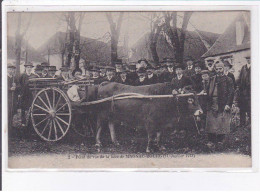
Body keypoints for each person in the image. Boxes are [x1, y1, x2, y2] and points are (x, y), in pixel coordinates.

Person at [205, 62, 234, 149]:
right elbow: (207, 90)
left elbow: (231, 93)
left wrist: (228, 104)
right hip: (212, 103)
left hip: (222, 103)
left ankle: (221, 140)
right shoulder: (212, 79)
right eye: (217, 69)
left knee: (221, 122)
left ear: (224, 68)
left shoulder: (228, 79)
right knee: (211, 122)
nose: (218, 71)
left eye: (220, 69)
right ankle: (211, 141)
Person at [20, 62, 38, 127]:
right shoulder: (22, 75)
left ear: (32, 68)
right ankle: (23, 122)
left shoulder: (34, 76)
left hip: (31, 94)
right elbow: (20, 84)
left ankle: (30, 122)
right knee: (23, 109)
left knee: (31, 107)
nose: (29, 68)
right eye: (28, 67)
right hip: (24, 94)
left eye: (30, 67)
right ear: (25, 68)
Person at [235, 56, 251, 127]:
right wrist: (237, 85)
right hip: (243, 91)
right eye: (247, 59)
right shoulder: (243, 67)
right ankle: (242, 123)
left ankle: (251, 123)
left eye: (250, 58)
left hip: (251, 91)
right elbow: (239, 78)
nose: (249, 60)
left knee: (250, 107)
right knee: (242, 107)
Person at [7, 63, 20, 133]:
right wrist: (9, 88)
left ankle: (10, 126)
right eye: (9, 69)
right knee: (7, 112)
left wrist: (15, 87)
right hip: (7, 98)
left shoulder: (14, 78)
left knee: (12, 112)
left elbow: (19, 86)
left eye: (12, 69)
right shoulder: (4, 77)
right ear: (7, 69)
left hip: (13, 98)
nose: (11, 71)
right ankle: (6, 127)